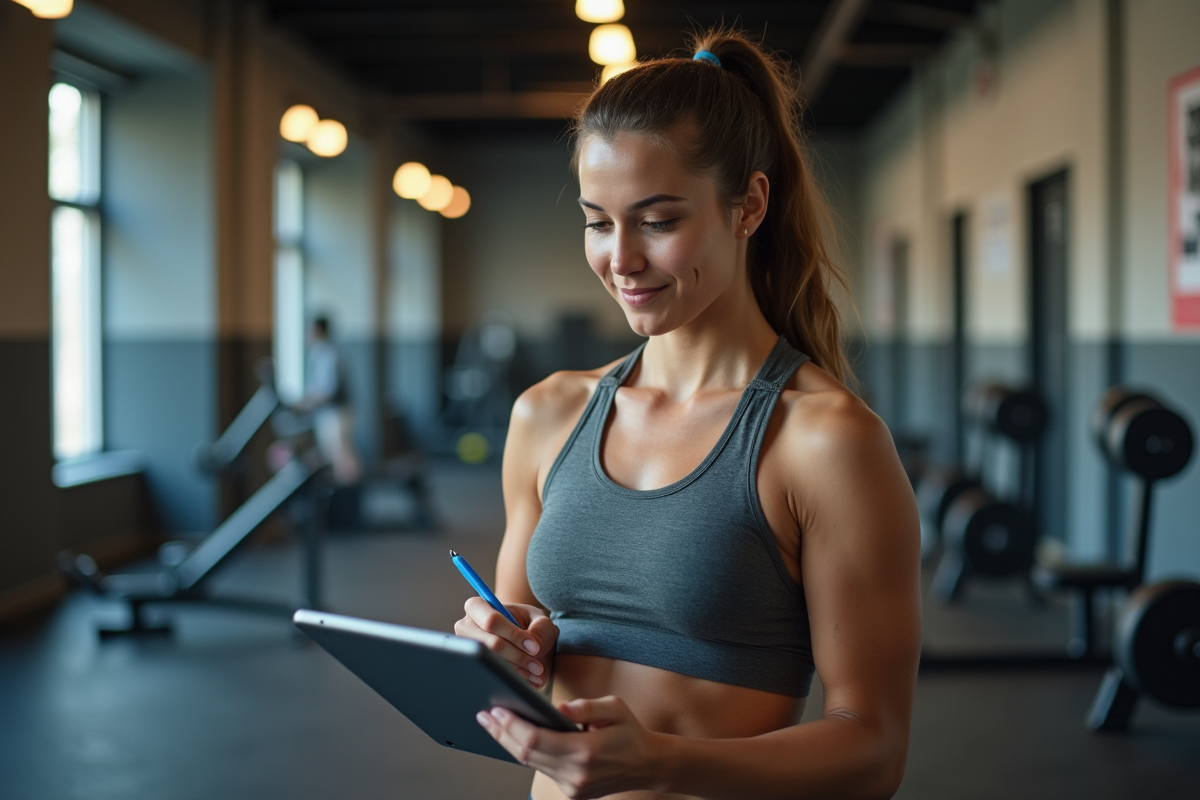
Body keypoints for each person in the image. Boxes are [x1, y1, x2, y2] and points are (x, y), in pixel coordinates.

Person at [454, 29, 921, 800]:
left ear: (749, 207)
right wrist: (502, 647)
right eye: (598, 222)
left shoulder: (824, 441)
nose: (622, 259)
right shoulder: (547, 413)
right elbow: (522, 642)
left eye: (658, 220)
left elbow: (874, 750)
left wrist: (663, 762)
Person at [297, 316, 362, 484]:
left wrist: (306, 403)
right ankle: (345, 493)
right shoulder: (319, 353)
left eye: (310, 330)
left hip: (337, 413)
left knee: (342, 456)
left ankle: (349, 495)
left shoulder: (330, 355)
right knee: (333, 454)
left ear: (318, 331)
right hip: (329, 413)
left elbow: (328, 390)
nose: (307, 334)